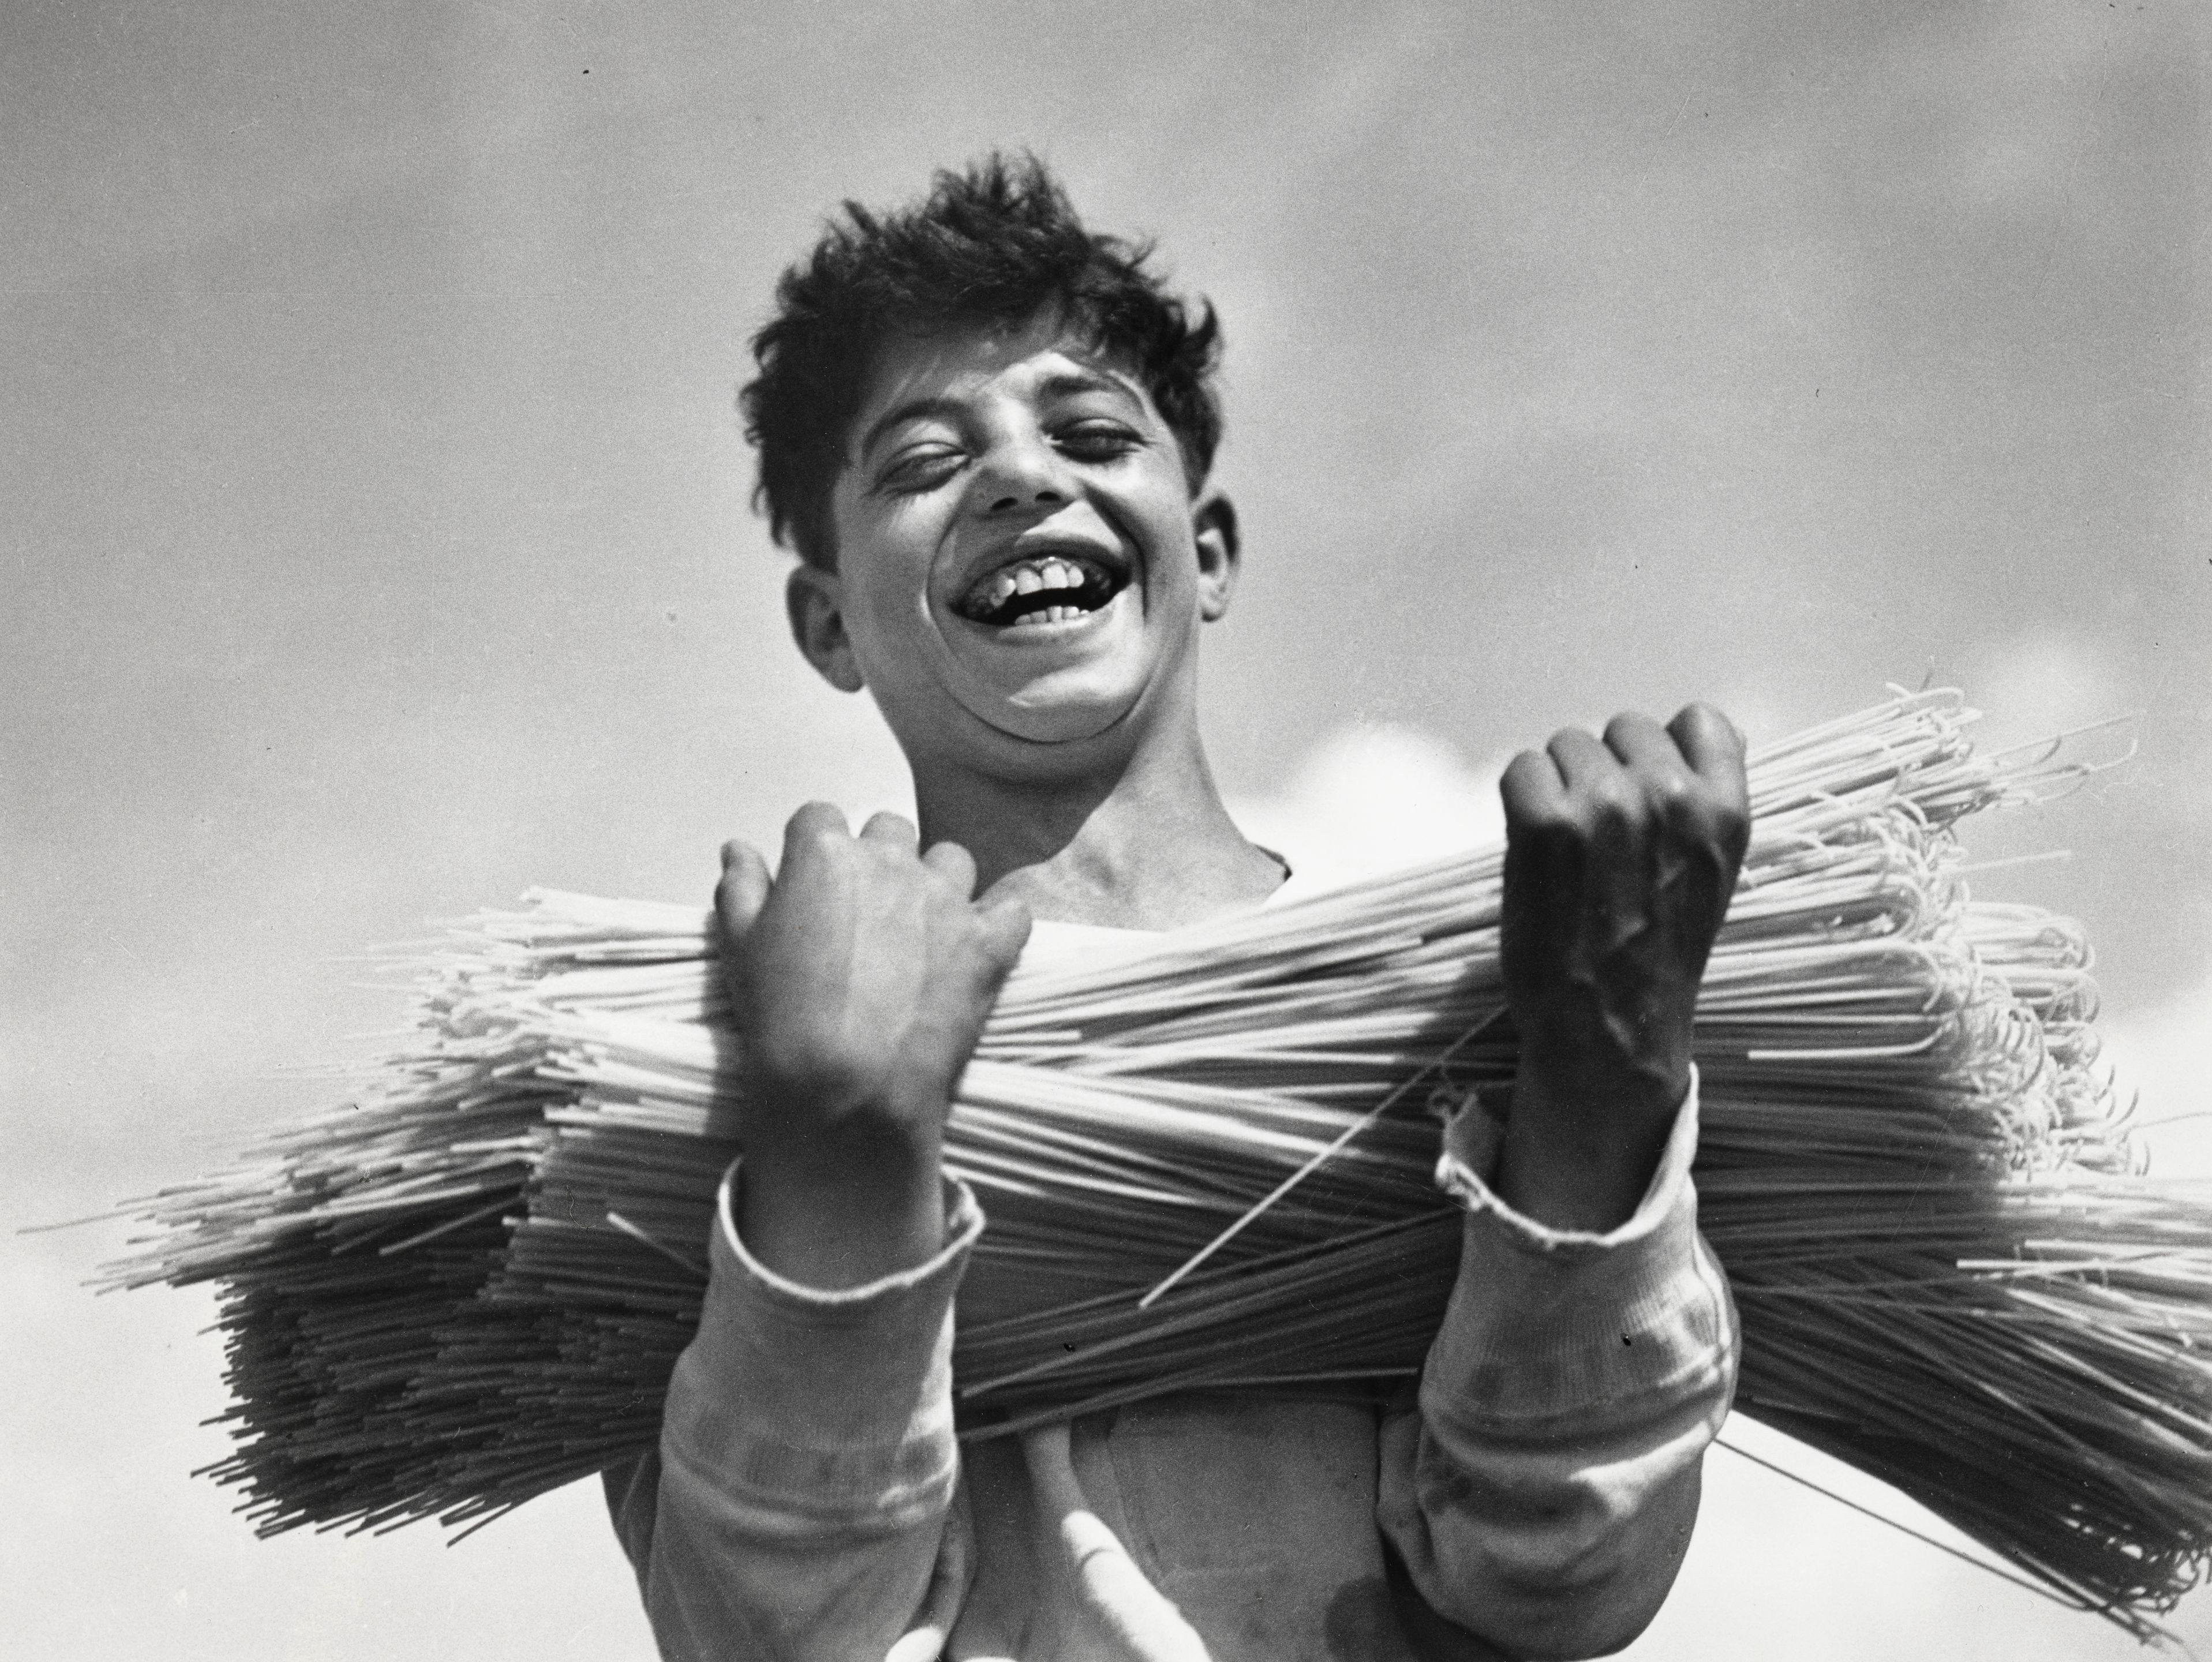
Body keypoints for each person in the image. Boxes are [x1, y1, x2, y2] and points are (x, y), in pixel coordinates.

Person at [604, 154, 1749, 1661]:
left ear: (1204, 553)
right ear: (829, 622)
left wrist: (1602, 1090)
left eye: (1088, 433)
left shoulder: (1464, 1019)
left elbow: (1562, 1580)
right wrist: (836, 1155)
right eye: (925, 462)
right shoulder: (715, 1079)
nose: (1019, 479)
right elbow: (766, 1636)